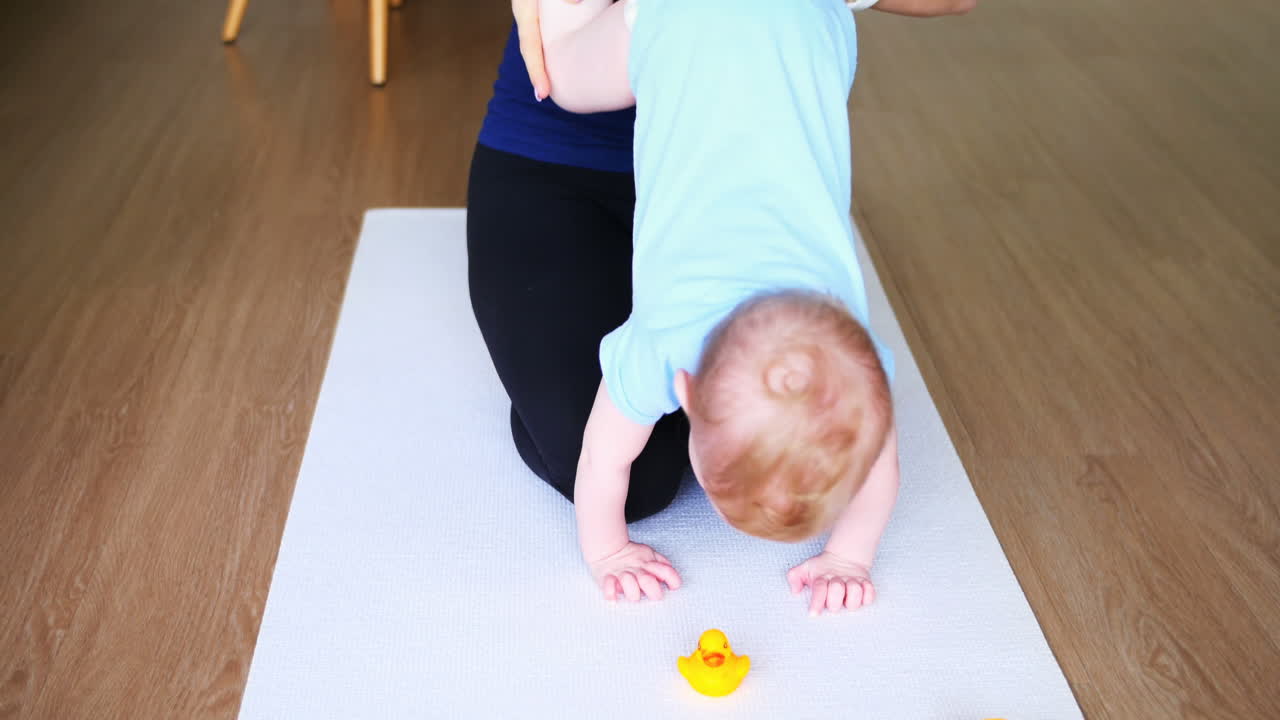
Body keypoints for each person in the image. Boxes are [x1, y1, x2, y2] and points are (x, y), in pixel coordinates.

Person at [467, 0, 974, 615]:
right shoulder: (664, 341)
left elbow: (877, 472)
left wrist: (848, 557)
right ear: (681, 387)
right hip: (686, 39)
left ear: (687, 391)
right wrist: (608, 552)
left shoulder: (856, 357)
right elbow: (602, 458)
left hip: (784, 18)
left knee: (580, 75)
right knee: (568, 82)